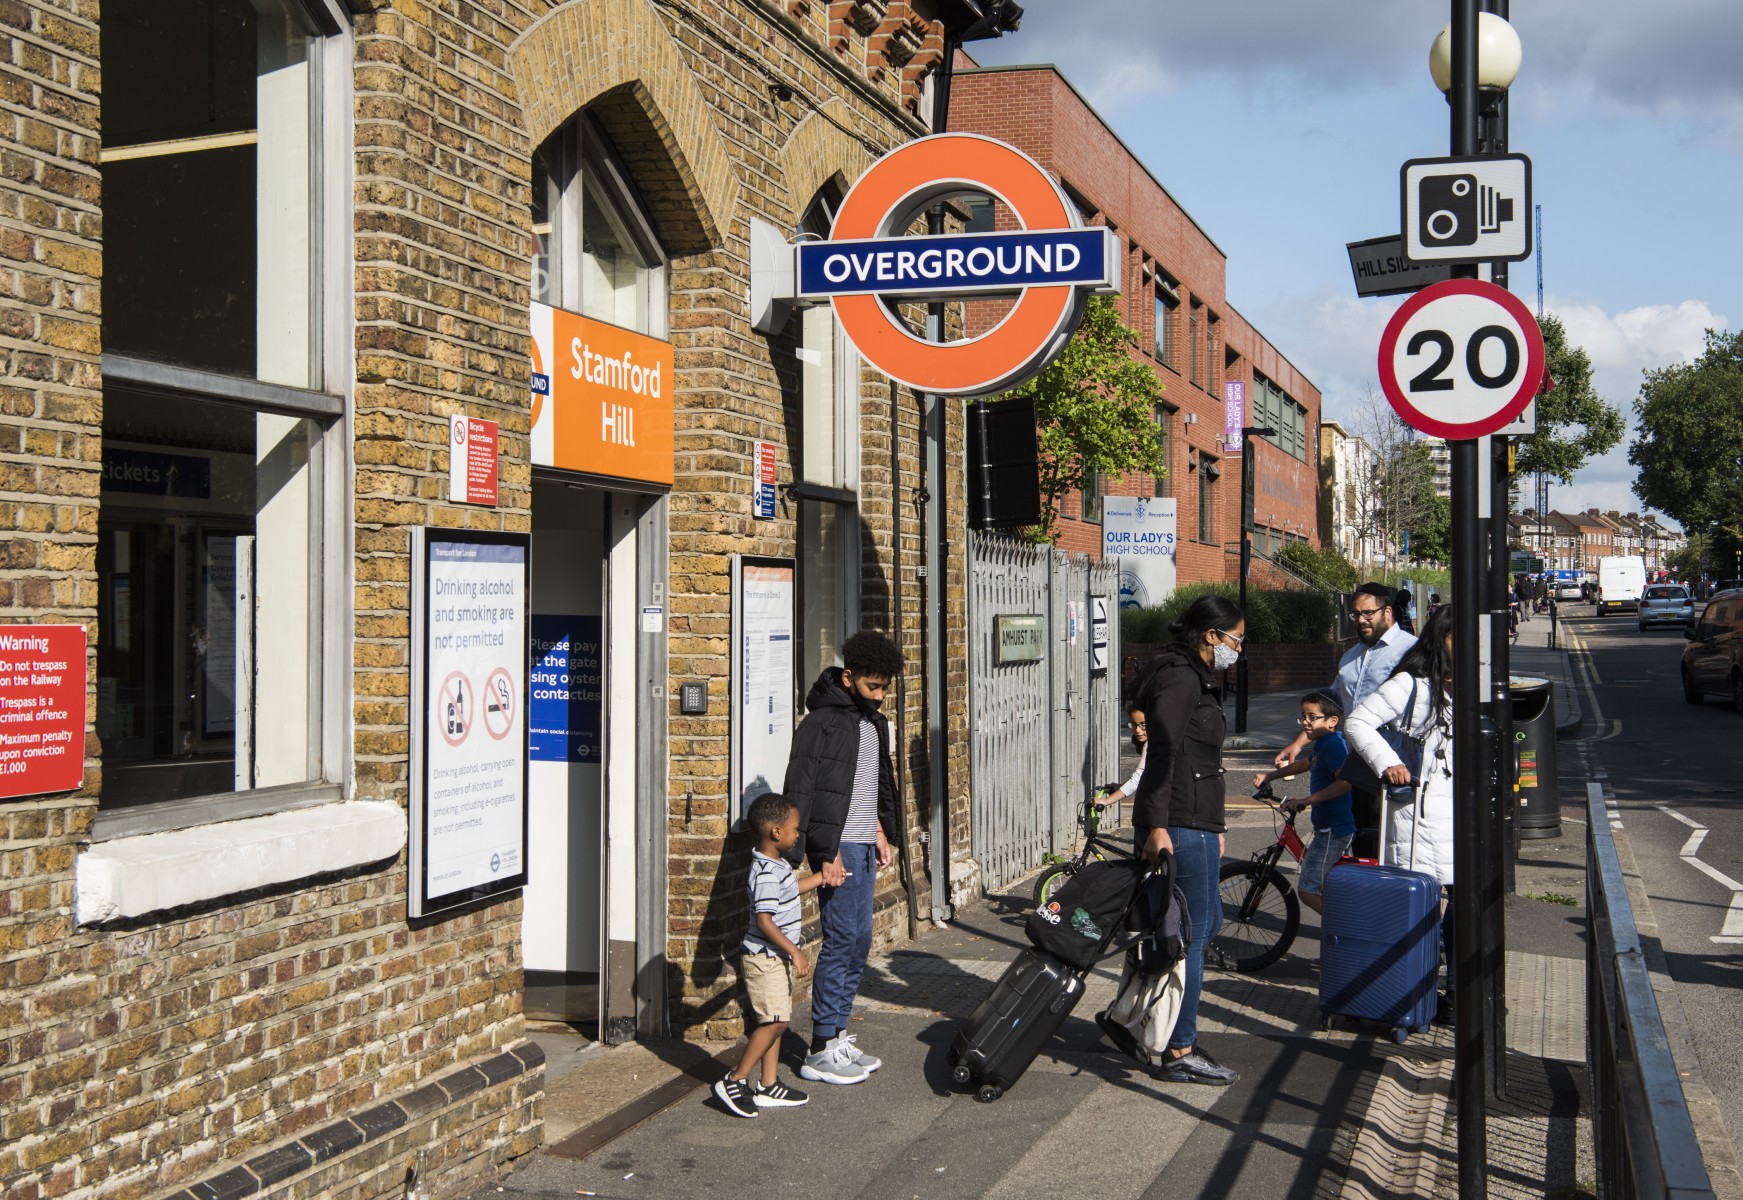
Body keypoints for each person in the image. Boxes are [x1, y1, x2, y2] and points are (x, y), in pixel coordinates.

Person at [1120, 593, 1245, 1086]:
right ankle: (1179, 1047)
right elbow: (1164, 754)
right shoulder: (1181, 676)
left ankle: (1162, 1022)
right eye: (1237, 639)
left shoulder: (1188, 675)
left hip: (1197, 821)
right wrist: (1154, 826)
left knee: (1205, 922)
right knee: (1189, 936)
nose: (1240, 648)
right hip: (1178, 822)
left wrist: (1215, 828)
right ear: (1211, 636)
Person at [783, 629, 903, 1085]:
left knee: (859, 940)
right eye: (873, 687)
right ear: (849, 677)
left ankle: (836, 1037)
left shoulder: (873, 724)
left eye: (884, 689)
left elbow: (867, 785)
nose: (878, 696)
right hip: (837, 849)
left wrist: (879, 830)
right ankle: (818, 1048)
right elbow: (803, 790)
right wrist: (822, 854)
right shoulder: (821, 724)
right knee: (840, 940)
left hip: (862, 844)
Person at [1344, 603, 1457, 1019]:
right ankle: (1413, 995)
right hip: (1419, 821)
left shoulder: (1465, 688)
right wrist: (1387, 762)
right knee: (1419, 908)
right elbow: (1356, 723)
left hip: (1458, 819)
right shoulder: (1412, 685)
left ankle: (1447, 993)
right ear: (1440, 639)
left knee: (1460, 911)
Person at [1274, 582, 1417, 857]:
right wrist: (1298, 742)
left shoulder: (1410, 651)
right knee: (1363, 837)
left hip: (1395, 760)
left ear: (1387, 612)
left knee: (1394, 841)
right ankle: (1364, 896)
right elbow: (1331, 706)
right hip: (1357, 762)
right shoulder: (1350, 658)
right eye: (1356, 614)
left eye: (1368, 613)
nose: (1361, 620)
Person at [714, 793, 824, 1117]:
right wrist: (795, 951)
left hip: (775, 958)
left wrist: (821, 878)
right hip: (765, 958)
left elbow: (790, 890)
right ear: (776, 833)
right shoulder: (764, 872)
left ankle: (768, 1084)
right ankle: (734, 1079)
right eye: (794, 829)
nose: (797, 835)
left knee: (774, 1019)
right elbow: (764, 920)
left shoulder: (777, 866)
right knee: (776, 1021)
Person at [1249, 689, 1353, 915]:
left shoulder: (1333, 745)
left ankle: (1346, 931)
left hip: (1333, 830)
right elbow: (1306, 763)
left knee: (1307, 891)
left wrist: (1306, 801)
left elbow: (1345, 782)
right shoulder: (1324, 743)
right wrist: (1270, 775)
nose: (1305, 722)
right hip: (1327, 826)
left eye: (1312, 717)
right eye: (1303, 717)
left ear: (1332, 721)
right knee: (1324, 886)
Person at [1099, 705, 1148, 810]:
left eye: (1143, 725)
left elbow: (1137, 780)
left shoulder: (1151, 744)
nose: (1138, 730)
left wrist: (1106, 801)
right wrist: (1119, 787)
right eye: (1134, 725)